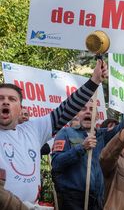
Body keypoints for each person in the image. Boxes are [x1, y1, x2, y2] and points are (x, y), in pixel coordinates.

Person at [0, 59, 106, 203]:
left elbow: (67, 108)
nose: (5, 102)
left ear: (20, 108)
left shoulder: (33, 129)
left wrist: (94, 80)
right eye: (0, 99)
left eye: (12, 99)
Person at [51, 91, 124, 210]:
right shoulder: (65, 133)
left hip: (97, 200)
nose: (88, 111)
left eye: (92, 109)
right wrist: (82, 148)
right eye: (83, 109)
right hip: (73, 199)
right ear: (77, 114)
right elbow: (56, 163)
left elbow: (121, 129)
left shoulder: (102, 135)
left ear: (97, 116)